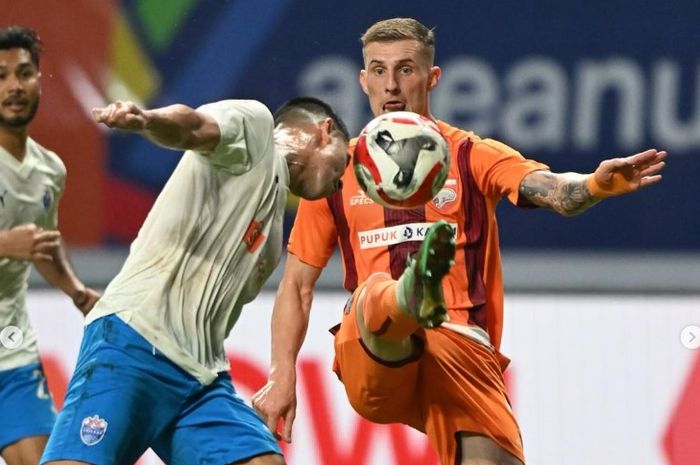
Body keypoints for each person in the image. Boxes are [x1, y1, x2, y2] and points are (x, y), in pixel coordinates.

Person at [252, 17, 667, 465]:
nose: (391, 85)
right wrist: (281, 376)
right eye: (378, 70)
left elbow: (554, 191)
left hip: (460, 348)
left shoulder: (471, 154)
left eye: (406, 70)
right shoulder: (338, 170)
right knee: (376, 295)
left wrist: (595, 185)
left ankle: (416, 293)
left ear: (432, 78)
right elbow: (296, 285)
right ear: (362, 80)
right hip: (375, 351)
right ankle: (412, 292)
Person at [39, 95, 349, 465]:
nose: (340, 185)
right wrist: (147, 120)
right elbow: (193, 126)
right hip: (135, 343)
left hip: (200, 380)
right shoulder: (257, 131)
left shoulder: (270, 241)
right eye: (344, 164)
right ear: (324, 131)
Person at [0, 25, 100, 465]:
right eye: (1, 76)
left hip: (11, 352)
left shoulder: (49, 170)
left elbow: (44, 244)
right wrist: (5, 242)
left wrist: (77, 291)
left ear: (40, 80)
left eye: (24, 73)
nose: (13, 86)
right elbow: (18, 244)